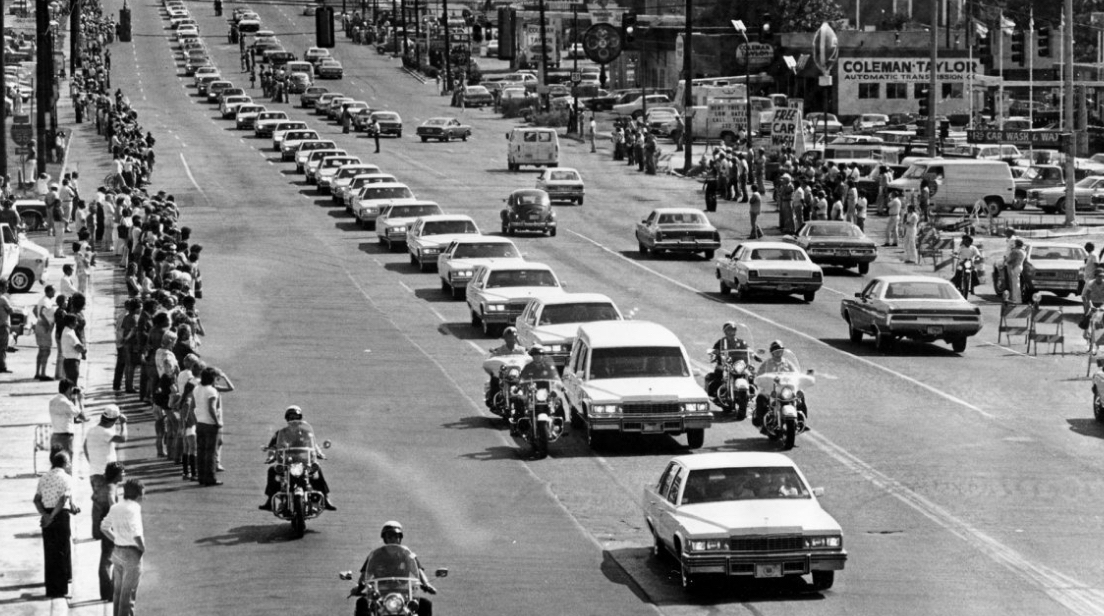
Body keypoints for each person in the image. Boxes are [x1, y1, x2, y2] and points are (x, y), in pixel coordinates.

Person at [259, 405, 336, 511]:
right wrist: (271, 456)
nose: (293, 419)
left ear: (300, 418)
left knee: (317, 469)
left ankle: (326, 499)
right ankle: (269, 500)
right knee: (272, 470)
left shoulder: (306, 432)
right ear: (287, 419)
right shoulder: (281, 433)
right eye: (291, 417)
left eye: (296, 417)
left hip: (304, 461)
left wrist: (319, 453)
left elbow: (314, 445)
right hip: (287, 462)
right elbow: (273, 447)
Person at [354, 522, 437, 616]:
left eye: (396, 536)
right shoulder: (375, 555)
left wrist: (427, 584)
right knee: (362, 603)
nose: (393, 539)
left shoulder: (406, 554)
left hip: (404, 592)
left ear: (400, 538)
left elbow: (418, 570)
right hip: (380, 593)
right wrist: (359, 586)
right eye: (390, 537)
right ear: (385, 538)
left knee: (425, 604)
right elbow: (365, 574)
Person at [100, 479, 146, 616]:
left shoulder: (116, 507)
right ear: (138, 494)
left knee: (118, 592)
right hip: (132, 553)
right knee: (128, 594)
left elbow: (104, 527)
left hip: (118, 551)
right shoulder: (134, 508)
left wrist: (117, 539)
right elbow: (136, 532)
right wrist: (142, 547)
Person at [34, 451, 75, 599]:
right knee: (62, 552)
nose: (70, 464)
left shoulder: (44, 478)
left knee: (50, 552)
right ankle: (61, 590)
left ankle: (51, 589)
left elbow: (36, 500)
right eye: (69, 462)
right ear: (65, 463)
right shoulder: (67, 478)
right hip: (60, 515)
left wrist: (45, 515)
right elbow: (63, 499)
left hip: (47, 515)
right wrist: (52, 516)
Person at [752, 341, 806, 428]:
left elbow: (796, 374)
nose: (778, 353)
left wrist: (799, 379)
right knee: (760, 398)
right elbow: (759, 375)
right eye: (776, 351)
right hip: (771, 390)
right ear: (772, 353)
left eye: (780, 351)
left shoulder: (788, 363)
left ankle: (801, 421)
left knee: (800, 395)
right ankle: (761, 421)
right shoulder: (766, 364)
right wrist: (762, 380)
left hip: (786, 389)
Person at [92, 462, 125, 602]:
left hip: (103, 522)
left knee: (106, 557)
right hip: (110, 524)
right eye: (122, 472)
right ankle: (111, 592)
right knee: (110, 559)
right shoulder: (111, 486)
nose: (124, 474)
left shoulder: (107, 484)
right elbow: (111, 500)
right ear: (116, 475)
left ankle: (106, 592)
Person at [704, 322, 749, 400]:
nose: (732, 332)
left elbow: (747, 349)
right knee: (718, 374)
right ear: (725, 331)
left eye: (733, 330)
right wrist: (714, 354)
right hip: (724, 365)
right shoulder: (720, 342)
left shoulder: (741, 342)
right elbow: (714, 351)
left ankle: (750, 390)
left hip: (738, 365)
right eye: (729, 330)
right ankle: (716, 393)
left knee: (750, 375)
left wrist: (753, 354)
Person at [485, 327, 526, 408]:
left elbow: (528, 358)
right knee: (494, 377)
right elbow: (492, 358)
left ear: (516, 338)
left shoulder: (522, 350)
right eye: (509, 337)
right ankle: (493, 398)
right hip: (505, 372)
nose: (511, 339)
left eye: (513, 337)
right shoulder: (500, 350)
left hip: (518, 372)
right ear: (505, 338)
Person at [49, 379, 87, 460]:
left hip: (55, 436)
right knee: (67, 461)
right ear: (68, 389)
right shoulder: (67, 403)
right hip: (65, 437)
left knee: (56, 461)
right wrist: (80, 401)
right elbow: (83, 417)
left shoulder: (52, 401)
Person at [59, 314, 85, 384]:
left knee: (71, 383)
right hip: (72, 363)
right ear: (70, 323)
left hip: (70, 361)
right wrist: (84, 349)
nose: (77, 323)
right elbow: (78, 347)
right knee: (73, 383)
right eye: (75, 321)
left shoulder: (69, 330)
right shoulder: (69, 334)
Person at [1005, 238, 1027, 304]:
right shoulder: (1023, 251)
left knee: (1015, 284)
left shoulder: (1015, 251)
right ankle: (1018, 299)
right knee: (1017, 284)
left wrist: (1006, 259)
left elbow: (1010, 260)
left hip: (1015, 267)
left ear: (1017, 244)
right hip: (1020, 266)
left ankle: (1016, 299)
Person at [1083, 242, 1099, 312]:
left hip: (1091, 279)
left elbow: (1097, 266)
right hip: (1087, 279)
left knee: (1085, 296)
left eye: (1086, 246)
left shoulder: (1093, 255)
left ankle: (1088, 311)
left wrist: (1096, 278)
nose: (1085, 248)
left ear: (1090, 247)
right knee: (1086, 296)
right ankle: (1088, 311)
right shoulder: (1089, 255)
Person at [0, 280, 11, 373]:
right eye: (6, 287)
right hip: (3, 325)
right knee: (3, 347)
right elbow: (11, 310)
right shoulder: (3, 298)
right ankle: (2, 366)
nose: (7, 289)